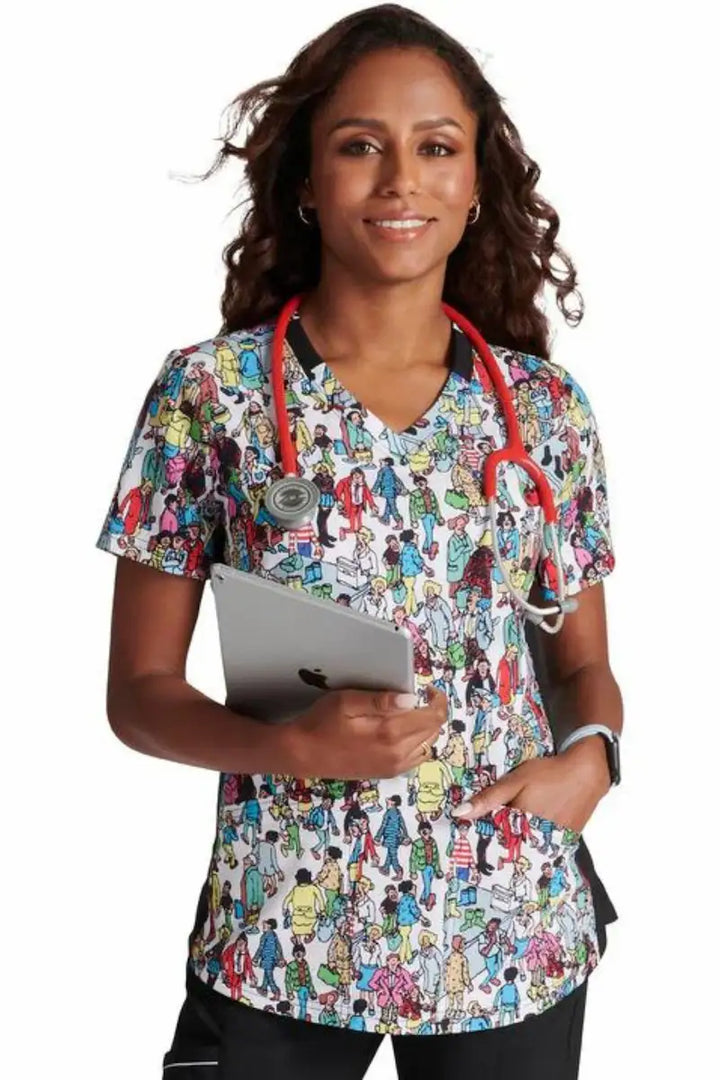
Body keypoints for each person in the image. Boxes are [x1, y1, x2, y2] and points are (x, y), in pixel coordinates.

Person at [95, 5, 623, 1078]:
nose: (400, 179)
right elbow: (137, 695)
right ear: (305, 180)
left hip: (505, 926)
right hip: (282, 931)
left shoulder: (544, 412)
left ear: (477, 187)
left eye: (436, 147)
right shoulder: (212, 395)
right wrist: (292, 749)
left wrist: (592, 764)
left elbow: (582, 666)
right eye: (358, 145)